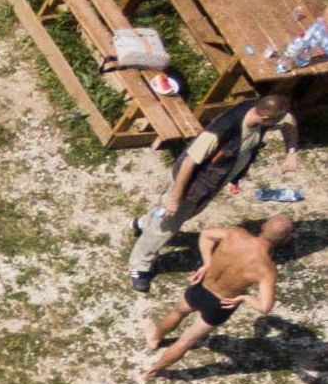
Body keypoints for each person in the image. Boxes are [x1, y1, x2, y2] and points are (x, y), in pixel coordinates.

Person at [124, 91, 304, 284]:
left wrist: (291, 153)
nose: (281, 121)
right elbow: (188, 163)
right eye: (277, 120)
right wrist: (175, 199)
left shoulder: (261, 113)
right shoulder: (223, 130)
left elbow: (289, 121)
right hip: (189, 185)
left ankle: (144, 224)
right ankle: (139, 265)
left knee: (176, 216)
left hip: (210, 183)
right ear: (266, 118)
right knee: (166, 227)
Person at [141, 208, 285, 375]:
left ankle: (154, 338)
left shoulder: (236, 234)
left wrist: (207, 263)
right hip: (220, 305)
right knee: (186, 341)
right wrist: (244, 297)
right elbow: (265, 307)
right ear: (285, 240)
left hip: (202, 287)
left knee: (176, 313)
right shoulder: (267, 269)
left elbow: (206, 234)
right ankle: (153, 371)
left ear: (263, 226)